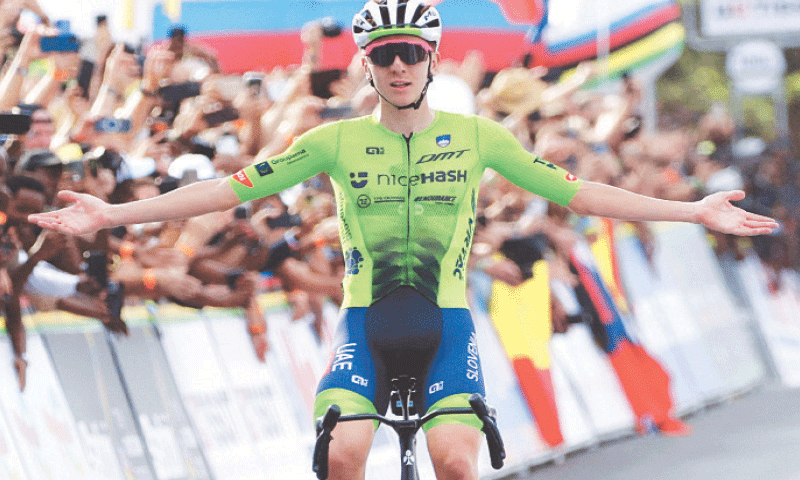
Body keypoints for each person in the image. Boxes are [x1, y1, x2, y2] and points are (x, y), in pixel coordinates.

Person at [28, 1, 778, 478]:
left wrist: (691, 212)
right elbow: (226, 191)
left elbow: (578, 192)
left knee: (456, 461)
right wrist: (109, 216)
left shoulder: (479, 136)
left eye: (409, 53)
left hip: (447, 324)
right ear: (365, 64)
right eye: (382, 54)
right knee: (346, 454)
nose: (395, 65)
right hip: (365, 323)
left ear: (430, 60)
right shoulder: (331, 140)